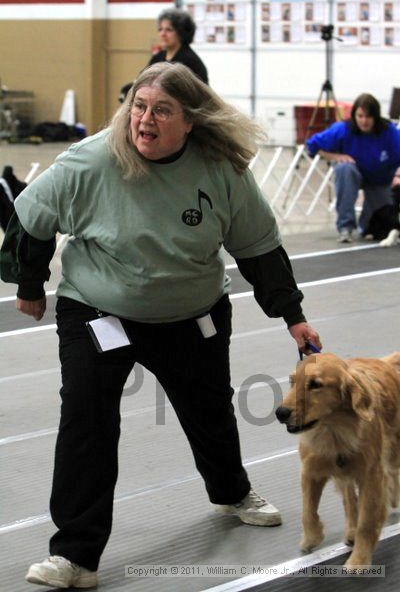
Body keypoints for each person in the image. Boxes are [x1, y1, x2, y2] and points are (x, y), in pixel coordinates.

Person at [0, 62, 321, 589]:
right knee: (87, 419)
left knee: (210, 408)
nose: (145, 120)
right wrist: (31, 286)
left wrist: (293, 316)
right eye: (139, 107)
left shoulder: (222, 169)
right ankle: (75, 555)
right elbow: (31, 218)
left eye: (162, 111)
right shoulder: (90, 160)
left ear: (189, 121)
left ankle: (231, 491)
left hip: (190, 312)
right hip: (98, 308)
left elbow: (259, 247)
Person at [307, 93, 400, 243]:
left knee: (374, 229)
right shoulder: (342, 129)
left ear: (376, 116)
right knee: (344, 168)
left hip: (380, 180)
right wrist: (335, 157)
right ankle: (345, 227)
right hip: (352, 174)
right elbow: (312, 145)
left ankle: (365, 225)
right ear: (354, 115)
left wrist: (398, 176)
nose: (364, 121)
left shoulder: (389, 131)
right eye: (360, 116)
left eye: (368, 116)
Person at [119, 8, 208, 103]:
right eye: (160, 29)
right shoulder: (157, 58)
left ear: (181, 33)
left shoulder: (190, 61)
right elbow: (143, 80)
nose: (162, 34)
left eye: (168, 30)